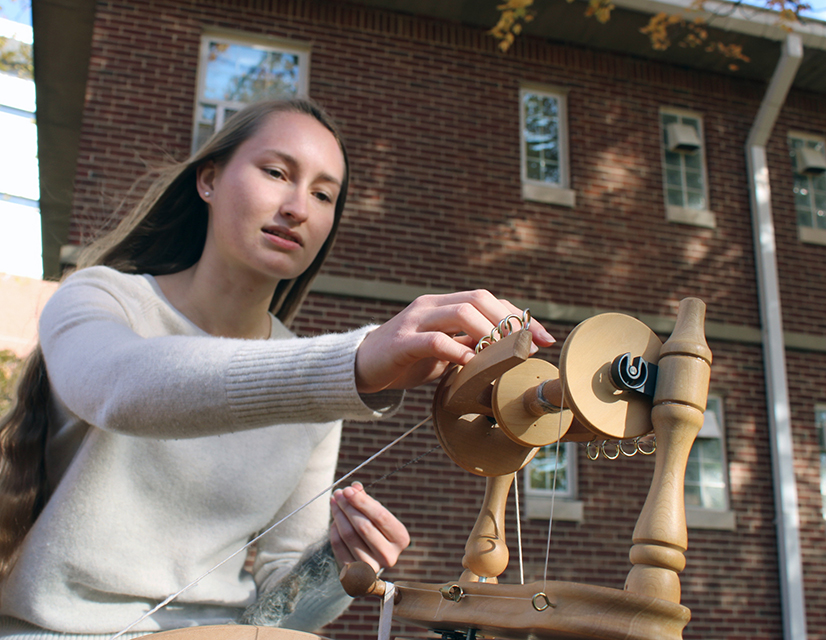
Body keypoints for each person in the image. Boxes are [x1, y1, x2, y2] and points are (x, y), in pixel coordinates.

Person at [0, 98, 554, 639]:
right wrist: (357, 362)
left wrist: (338, 571)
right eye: (275, 173)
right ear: (208, 180)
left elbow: (283, 611)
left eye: (322, 194)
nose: (298, 207)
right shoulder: (99, 298)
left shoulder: (316, 380)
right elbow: (122, 387)